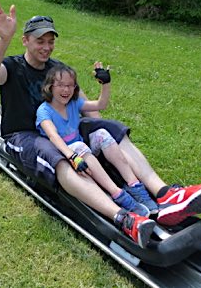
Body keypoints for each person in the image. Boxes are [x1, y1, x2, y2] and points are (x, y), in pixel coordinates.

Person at [0, 0, 201, 244]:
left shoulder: (58, 70)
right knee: (56, 155)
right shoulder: (13, 66)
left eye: (50, 41)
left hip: (65, 130)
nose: (46, 47)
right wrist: (3, 39)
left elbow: (85, 106)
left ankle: (165, 194)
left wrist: (103, 137)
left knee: (110, 128)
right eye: (40, 41)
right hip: (25, 135)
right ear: (25, 41)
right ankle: (122, 218)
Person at [36, 62, 157, 216]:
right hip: (64, 155)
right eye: (60, 85)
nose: (66, 90)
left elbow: (101, 105)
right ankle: (118, 194)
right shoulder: (44, 111)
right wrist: (71, 156)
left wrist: (105, 84)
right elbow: (53, 135)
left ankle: (135, 186)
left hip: (82, 151)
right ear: (50, 86)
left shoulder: (73, 104)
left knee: (102, 133)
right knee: (79, 145)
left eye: (70, 85)